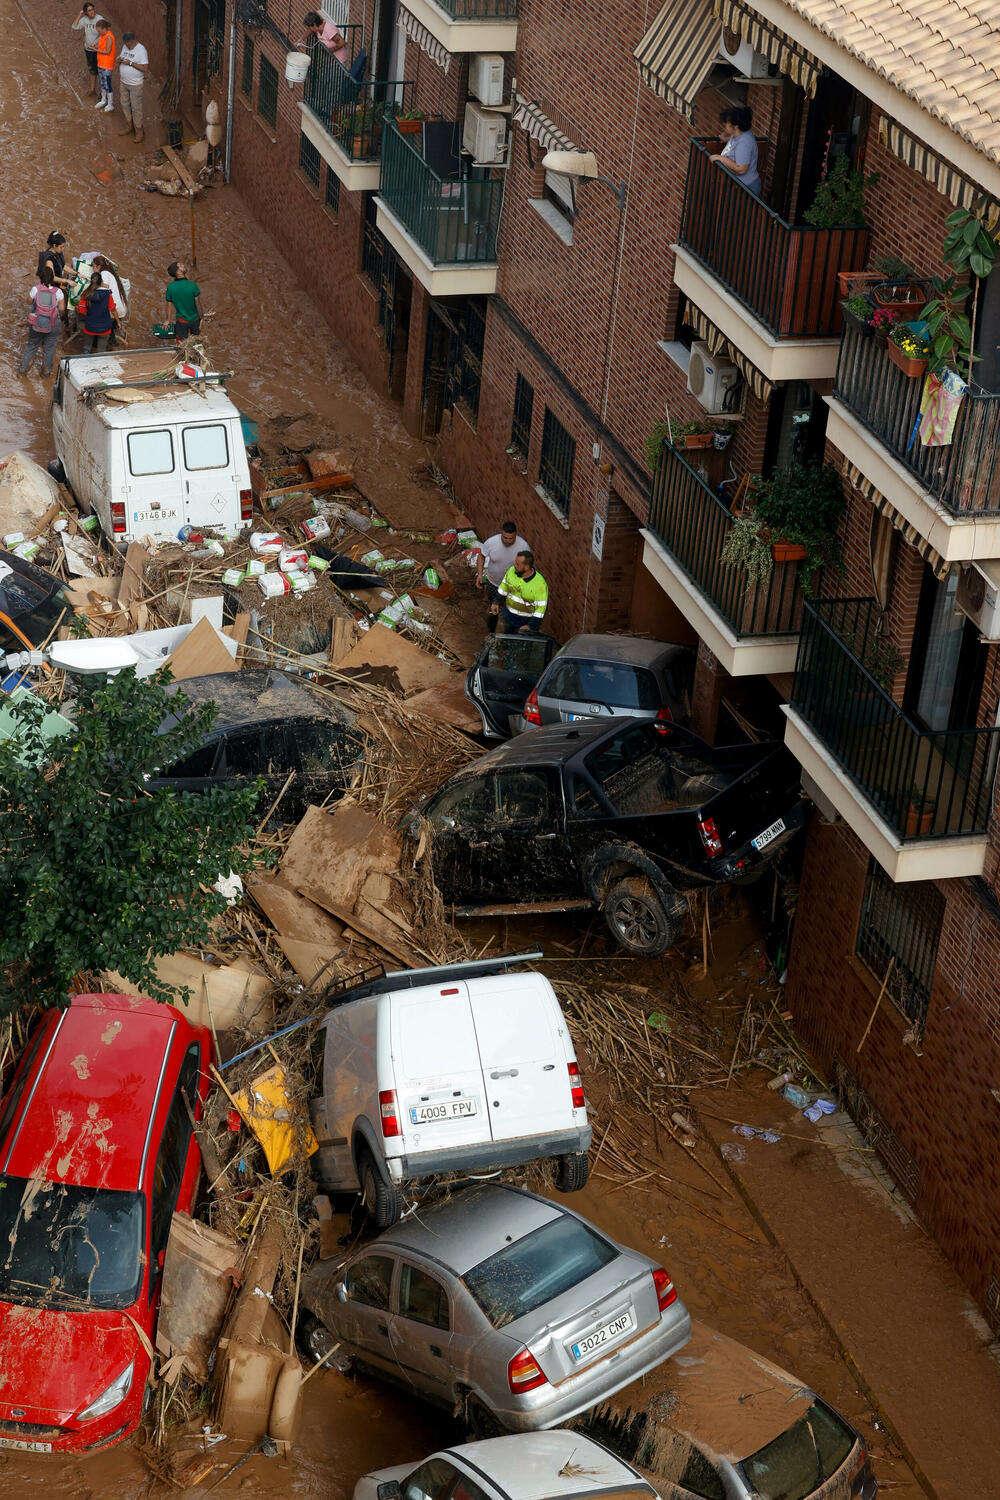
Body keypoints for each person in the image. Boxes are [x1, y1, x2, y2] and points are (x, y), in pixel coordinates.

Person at [476, 520, 529, 631]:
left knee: (509, 611)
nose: (508, 541)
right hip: (493, 583)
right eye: (505, 538)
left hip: (512, 587)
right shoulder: (491, 542)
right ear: (501, 533)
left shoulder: (523, 547)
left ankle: (506, 630)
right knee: (493, 605)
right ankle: (491, 628)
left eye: (511, 538)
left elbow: (527, 568)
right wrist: (480, 574)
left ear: (516, 535)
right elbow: (481, 556)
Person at [17, 267, 64, 377]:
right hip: (53, 323)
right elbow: (62, 309)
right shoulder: (58, 292)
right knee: (49, 348)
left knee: (31, 346)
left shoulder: (35, 289)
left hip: (37, 322)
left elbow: (29, 302)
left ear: (40, 278)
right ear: (52, 278)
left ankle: (22, 372)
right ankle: (46, 373)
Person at [710, 107, 761, 197]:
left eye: (727, 122)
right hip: (739, 186)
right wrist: (727, 139)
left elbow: (741, 169)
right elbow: (737, 143)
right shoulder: (739, 134)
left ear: (736, 126)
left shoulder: (744, 143)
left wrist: (721, 158)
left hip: (745, 189)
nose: (724, 124)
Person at [495, 550, 548, 634]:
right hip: (507, 615)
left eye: (517, 564)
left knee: (519, 642)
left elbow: (540, 609)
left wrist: (530, 626)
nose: (514, 565)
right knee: (499, 638)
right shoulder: (511, 571)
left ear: (526, 567)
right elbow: (503, 588)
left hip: (526, 621)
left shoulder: (540, 584)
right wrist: (496, 602)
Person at [117, 30, 148, 141]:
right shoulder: (125, 47)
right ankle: (129, 126)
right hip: (123, 82)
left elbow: (145, 68)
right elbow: (121, 59)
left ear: (133, 41)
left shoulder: (141, 50)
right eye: (126, 45)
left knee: (136, 108)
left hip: (135, 85)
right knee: (124, 104)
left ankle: (139, 131)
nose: (127, 47)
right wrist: (119, 60)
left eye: (128, 45)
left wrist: (130, 63)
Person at [164, 262, 202, 342]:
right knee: (197, 342)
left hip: (181, 321)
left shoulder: (170, 287)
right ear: (178, 272)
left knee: (181, 343)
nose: (183, 265)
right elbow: (198, 304)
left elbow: (168, 306)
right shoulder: (193, 285)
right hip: (195, 320)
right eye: (181, 266)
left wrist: (167, 320)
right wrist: (201, 319)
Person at [72, 3, 104, 96]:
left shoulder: (100, 19)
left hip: (99, 50)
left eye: (93, 9)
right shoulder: (84, 20)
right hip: (89, 50)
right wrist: (80, 14)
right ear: (86, 12)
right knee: (92, 70)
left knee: (101, 71)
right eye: (89, 10)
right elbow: (74, 26)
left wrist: (98, 45)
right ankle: (92, 90)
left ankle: (103, 93)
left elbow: (105, 33)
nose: (92, 12)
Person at [81, 271, 117, 352]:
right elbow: (113, 310)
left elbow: (81, 309)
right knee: (101, 349)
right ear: (101, 282)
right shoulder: (107, 294)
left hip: (89, 326)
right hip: (105, 329)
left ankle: (85, 355)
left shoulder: (86, 293)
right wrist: (118, 322)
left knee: (87, 346)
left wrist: (88, 315)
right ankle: (100, 358)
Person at [94, 19, 116, 112]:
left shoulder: (109, 37)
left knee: (107, 84)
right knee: (102, 83)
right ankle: (103, 100)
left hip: (107, 65)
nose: (98, 32)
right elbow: (103, 48)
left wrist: (96, 50)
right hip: (101, 63)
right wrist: (97, 47)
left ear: (104, 29)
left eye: (99, 31)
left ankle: (110, 104)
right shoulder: (103, 36)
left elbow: (107, 51)